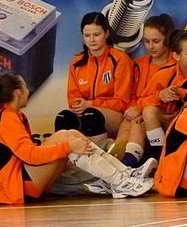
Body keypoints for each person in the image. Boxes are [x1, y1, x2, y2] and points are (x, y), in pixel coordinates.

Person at [0, 72, 153, 205]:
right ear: (18, 93)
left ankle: (124, 174)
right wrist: (68, 148)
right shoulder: (6, 118)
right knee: (66, 139)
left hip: (14, 184)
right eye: (26, 87)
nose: (28, 91)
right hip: (11, 189)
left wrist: (67, 149)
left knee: (69, 134)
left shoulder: (10, 115)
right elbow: (30, 155)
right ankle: (119, 181)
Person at [109, 14, 176, 167]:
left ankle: (128, 165)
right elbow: (133, 95)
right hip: (141, 113)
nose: (150, 46)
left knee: (141, 119)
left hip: (163, 116)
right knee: (129, 123)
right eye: (146, 41)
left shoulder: (176, 64)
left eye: (156, 41)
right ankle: (115, 163)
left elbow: (170, 99)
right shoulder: (139, 64)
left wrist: (140, 108)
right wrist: (134, 109)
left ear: (167, 39)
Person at [55, 12, 133, 141]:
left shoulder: (120, 59)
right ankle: (71, 154)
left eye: (96, 35)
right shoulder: (77, 62)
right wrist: (78, 105)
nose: (91, 40)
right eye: (87, 35)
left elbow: (122, 102)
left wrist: (91, 104)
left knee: (90, 115)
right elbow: (73, 96)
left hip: (115, 115)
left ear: (106, 34)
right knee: (63, 118)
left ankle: (99, 153)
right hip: (86, 111)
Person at [138, 30, 187, 160]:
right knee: (148, 112)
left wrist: (182, 93)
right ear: (176, 56)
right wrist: (160, 96)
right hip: (171, 120)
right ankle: (159, 157)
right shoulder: (165, 73)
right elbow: (141, 102)